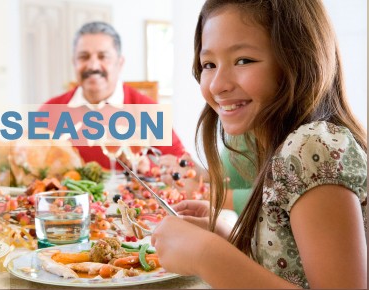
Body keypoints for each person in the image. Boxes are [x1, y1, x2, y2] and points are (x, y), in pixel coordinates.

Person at [151, 0, 367, 288]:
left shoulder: (311, 147)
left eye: (243, 60)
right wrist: (232, 235)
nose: (217, 85)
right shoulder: (282, 143)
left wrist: (207, 255)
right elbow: (289, 262)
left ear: (297, 58)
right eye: (209, 64)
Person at [39, 21, 192, 173]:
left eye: (103, 56)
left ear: (120, 63)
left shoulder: (147, 110)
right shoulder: (49, 110)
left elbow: (184, 169)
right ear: (74, 62)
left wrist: (148, 168)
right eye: (83, 57)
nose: (93, 65)